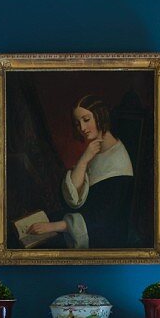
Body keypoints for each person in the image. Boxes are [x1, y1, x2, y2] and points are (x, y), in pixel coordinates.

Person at [28, 95, 134, 249]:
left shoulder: (118, 162)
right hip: (81, 222)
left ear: (100, 117)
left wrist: (53, 227)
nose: (82, 128)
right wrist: (84, 159)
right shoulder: (96, 149)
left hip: (102, 236)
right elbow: (72, 200)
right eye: (78, 123)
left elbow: (102, 218)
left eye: (86, 120)